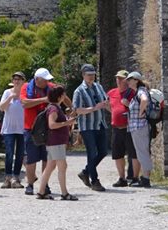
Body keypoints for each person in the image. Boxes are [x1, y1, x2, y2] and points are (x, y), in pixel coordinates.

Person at [72, 64, 111, 192]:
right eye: (89, 75)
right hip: (87, 126)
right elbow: (77, 110)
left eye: (93, 74)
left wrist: (111, 110)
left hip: (100, 124)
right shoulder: (79, 91)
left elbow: (105, 102)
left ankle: (85, 172)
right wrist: (94, 108)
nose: (91, 77)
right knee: (92, 153)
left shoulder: (98, 87)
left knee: (103, 152)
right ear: (83, 75)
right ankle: (95, 181)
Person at [35, 86, 78, 201]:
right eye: (63, 95)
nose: (65, 97)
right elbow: (52, 125)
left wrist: (66, 122)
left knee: (50, 166)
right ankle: (64, 193)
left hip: (54, 142)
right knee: (62, 166)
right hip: (56, 142)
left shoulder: (53, 107)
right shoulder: (54, 109)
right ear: (59, 96)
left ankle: (41, 191)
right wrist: (67, 122)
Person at [20, 67, 55, 196]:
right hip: (30, 128)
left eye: (48, 80)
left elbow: (62, 96)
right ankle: (30, 184)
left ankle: (44, 184)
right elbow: (24, 103)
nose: (47, 82)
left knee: (47, 158)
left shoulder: (51, 87)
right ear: (37, 79)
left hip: (47, 128)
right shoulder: (25, 87)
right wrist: (44, 100)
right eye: (45, 80)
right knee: (31, 158)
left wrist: (70, 106)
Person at [107, 69, 138, 187]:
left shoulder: (133, 93)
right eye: (117, 78)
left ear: (127, 80)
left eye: (121, 78)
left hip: (129, 127)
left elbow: (138, 108)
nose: (118, 80)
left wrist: (127, 104)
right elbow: (111, 107)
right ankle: (122, 178)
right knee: (117, 154)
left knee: (133, 153)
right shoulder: (111, 93)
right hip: (116, 127)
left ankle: (135, 178)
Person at [0, 71, 26, 189]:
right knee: (9, 154)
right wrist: (10, 97)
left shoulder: (26, 94)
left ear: (23, 81)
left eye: (19, 79)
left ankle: (16, 178)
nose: (17, 81)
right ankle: (7, 178)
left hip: (22, 128)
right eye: (15, 79)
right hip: (9, 128)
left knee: (19, 154)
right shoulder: (7, 92)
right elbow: (2, 108)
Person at [127, 71, 153, 188]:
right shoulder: (138, 91)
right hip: (138, 127)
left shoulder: (141, 91)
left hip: (139, 127)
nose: (127, 81)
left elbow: (144, 100)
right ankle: (145, 177)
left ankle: (146, 178)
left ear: (136, 80)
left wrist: (141, 112)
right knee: (141, 152)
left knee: (142, 152)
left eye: (129, 79)